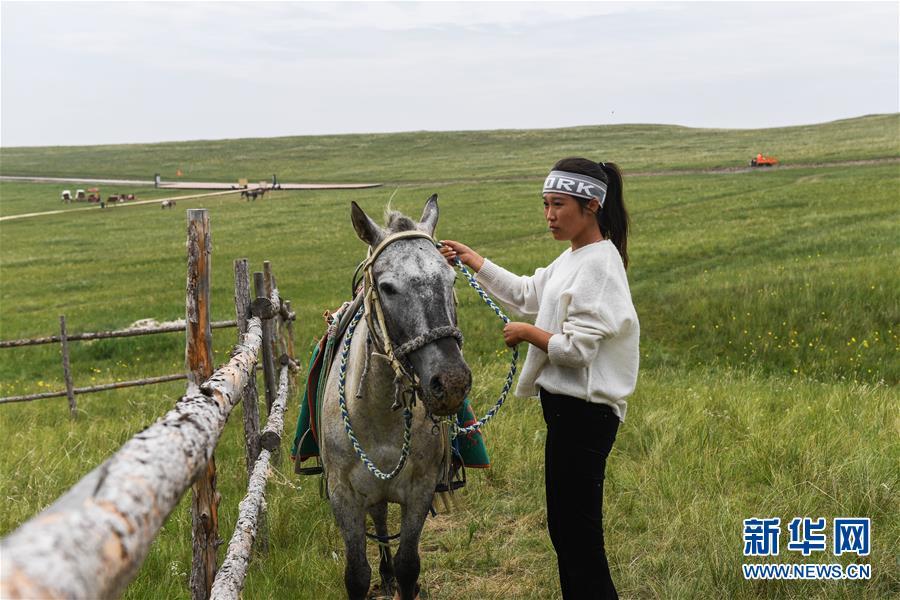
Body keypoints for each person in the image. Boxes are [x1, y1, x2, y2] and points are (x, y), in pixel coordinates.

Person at [440, 157, 639, 599]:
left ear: (591, 206)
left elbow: (577, 351)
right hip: (568, 413)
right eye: (545, 204)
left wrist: (528, 333)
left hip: (586, 415)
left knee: (580, 537)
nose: (549, 215)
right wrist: (475, 260)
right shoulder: (575, 257)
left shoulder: (599, 267)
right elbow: (529, 293)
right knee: (566, 532)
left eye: (559, 205)